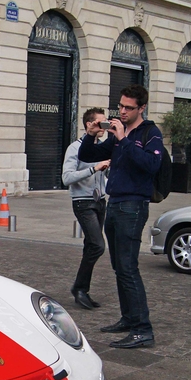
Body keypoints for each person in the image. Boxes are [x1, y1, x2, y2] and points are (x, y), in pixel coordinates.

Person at [78, 84, 163, 349]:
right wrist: (91, 135)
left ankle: (142, 329)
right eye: (121, 106)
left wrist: (125, 139)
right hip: (114, 203)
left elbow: (151, 165)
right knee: (119, 267)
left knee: (128, 267)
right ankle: (129, 319)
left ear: (141, 108)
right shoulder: (116, 135)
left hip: (133, 205)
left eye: (129, 108)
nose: (123, 111)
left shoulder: (150, 133)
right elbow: (87, 156)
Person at [63, 108, 110, 311]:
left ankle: (82, 289)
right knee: (98, 245)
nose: (104, 127)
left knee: (91, 246)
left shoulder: (102, 147)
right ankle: (79, 287)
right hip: (83, 202)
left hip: (100, 201)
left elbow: (104, 178)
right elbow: (66, 178)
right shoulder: (75, 148)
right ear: (89, 124)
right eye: (100, 123)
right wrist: (94, 168)